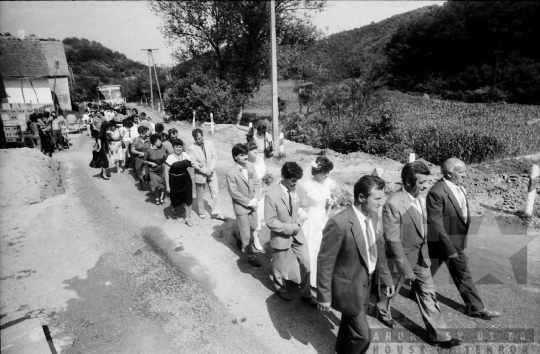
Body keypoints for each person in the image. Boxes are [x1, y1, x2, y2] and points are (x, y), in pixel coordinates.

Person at [375, 161, 461, 348]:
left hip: (422, 257)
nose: (425, 186)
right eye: (421, 182)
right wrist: (405, 268)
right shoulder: (393, 204)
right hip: (401, 258)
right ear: (407, 181)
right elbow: (393, 239)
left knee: (428, 294)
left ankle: (440, 336)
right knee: (391, 291)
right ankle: (382, 311)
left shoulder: (421, 199)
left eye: (426, 182)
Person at [317, 175, 394, 354]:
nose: (380, 203)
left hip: (366, 281)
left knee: (349, 321)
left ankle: (340, 350)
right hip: (348, 287)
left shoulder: (374, 217)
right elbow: (325, 262)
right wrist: (324, 295)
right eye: (377, 199)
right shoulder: (339, 223)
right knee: (362, 336)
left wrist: (387, 279)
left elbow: (379, 251)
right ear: (361, 198)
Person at [427, 158, 501, 319]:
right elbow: (436, 224)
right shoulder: (437, 192)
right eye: (461, 172)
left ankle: (415, 289)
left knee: (426, 269)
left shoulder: (457, 187)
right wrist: (450, 248)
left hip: (454, 239)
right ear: (449, 173)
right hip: (446, 241)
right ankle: (476, 308)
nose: (465, 176)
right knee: (462, 273)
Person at [265, 162, 317, 306]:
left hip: (298, 235)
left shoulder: (298, 189)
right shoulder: (271, 195)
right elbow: (270, 221)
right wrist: (290, 228)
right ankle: (280, 288)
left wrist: (300, 218)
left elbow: (305, 205)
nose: (295, 184)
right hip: (281, 236)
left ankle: (306, 294)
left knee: (306, 263)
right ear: (283, 176)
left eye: (297, 180)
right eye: (292, 180)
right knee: (279, 266)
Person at [298, 156, 336, 288]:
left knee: (323, 249)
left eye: (327, 172)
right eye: (324, 173)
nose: (326, 175)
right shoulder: (306, 185)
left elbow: (328, 200)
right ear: (315, 172)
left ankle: (320, 278)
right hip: (311, 219)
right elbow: (301, 204)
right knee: (311, 247)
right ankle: (308, 278)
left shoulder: (328, 183)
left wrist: (330, 202)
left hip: (323, 218)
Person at [226, 143, 262, 267]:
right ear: (235, 157)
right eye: (242, 155)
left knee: (254, 226)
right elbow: (234, 193)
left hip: (253, 204)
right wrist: (248, 202)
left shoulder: (251, 166)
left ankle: (239, 236)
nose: (246, 157)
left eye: (246, 154)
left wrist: (256, 198)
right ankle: (251, 256)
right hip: (241, 207)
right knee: (247, 233)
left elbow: (257, 183)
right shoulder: (231, 173)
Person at [188, 128, 224, 220]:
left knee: (215, 192)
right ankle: (201, 211)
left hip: (212, 172)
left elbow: (214, 157)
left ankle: (218, 212)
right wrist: (205, 170)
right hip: (200, 174)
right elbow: (193, 163)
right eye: (196, 139)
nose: (198, 140)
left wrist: (210, 170)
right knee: (200, 193)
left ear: (202, 136)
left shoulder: (210, 143)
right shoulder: (191, 148)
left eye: (200, 138)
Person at [164, 139, 194, 226]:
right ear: (173, 147)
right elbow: (166, 172)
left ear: (182, 147)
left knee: (188, 199)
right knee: (175, 199)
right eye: (176, 147)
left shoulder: (185, 155)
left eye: (180, 147)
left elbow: (192, 163)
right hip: (174, 182)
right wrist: (168, 186)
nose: (178, 148)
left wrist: (198, 165)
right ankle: (176, 210)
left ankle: (187, 218)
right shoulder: (170, 157)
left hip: (186, 180)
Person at [246, 141, 265, 251]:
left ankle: (248, 233)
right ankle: (255, 238)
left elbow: (265, 173)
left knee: (259, 214)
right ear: (247, 152)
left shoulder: (261, 160)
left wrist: (266, 183)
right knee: (254, 215)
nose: (255, 151)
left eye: (256, 148)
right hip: (252, 192)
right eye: (252, 149)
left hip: (261, 190)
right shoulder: (247, 164)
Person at [144, 134, 168, 205]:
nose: (160, 142)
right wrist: (151, 163)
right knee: (157, 185)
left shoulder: (163, 149)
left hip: (162, 169)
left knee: (163, 184)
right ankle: (157, 197)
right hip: (153, 171)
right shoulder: (149, 151)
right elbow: (144, 160)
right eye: (159, 141)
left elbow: (166, 158)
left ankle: (161, 199)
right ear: (154, 142)